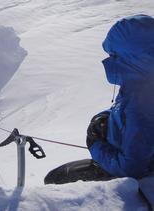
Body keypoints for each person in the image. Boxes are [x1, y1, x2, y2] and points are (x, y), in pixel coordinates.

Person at [45, 14, 154, 184]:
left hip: (125, 175)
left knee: (53, 180)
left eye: (114, 55)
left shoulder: (142, 102)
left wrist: (94, 143)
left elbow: (130, 169)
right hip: (120, 155)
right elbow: (126, 112)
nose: (110, 60)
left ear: (131, 58)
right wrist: (105, 117)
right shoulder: (141, 84)